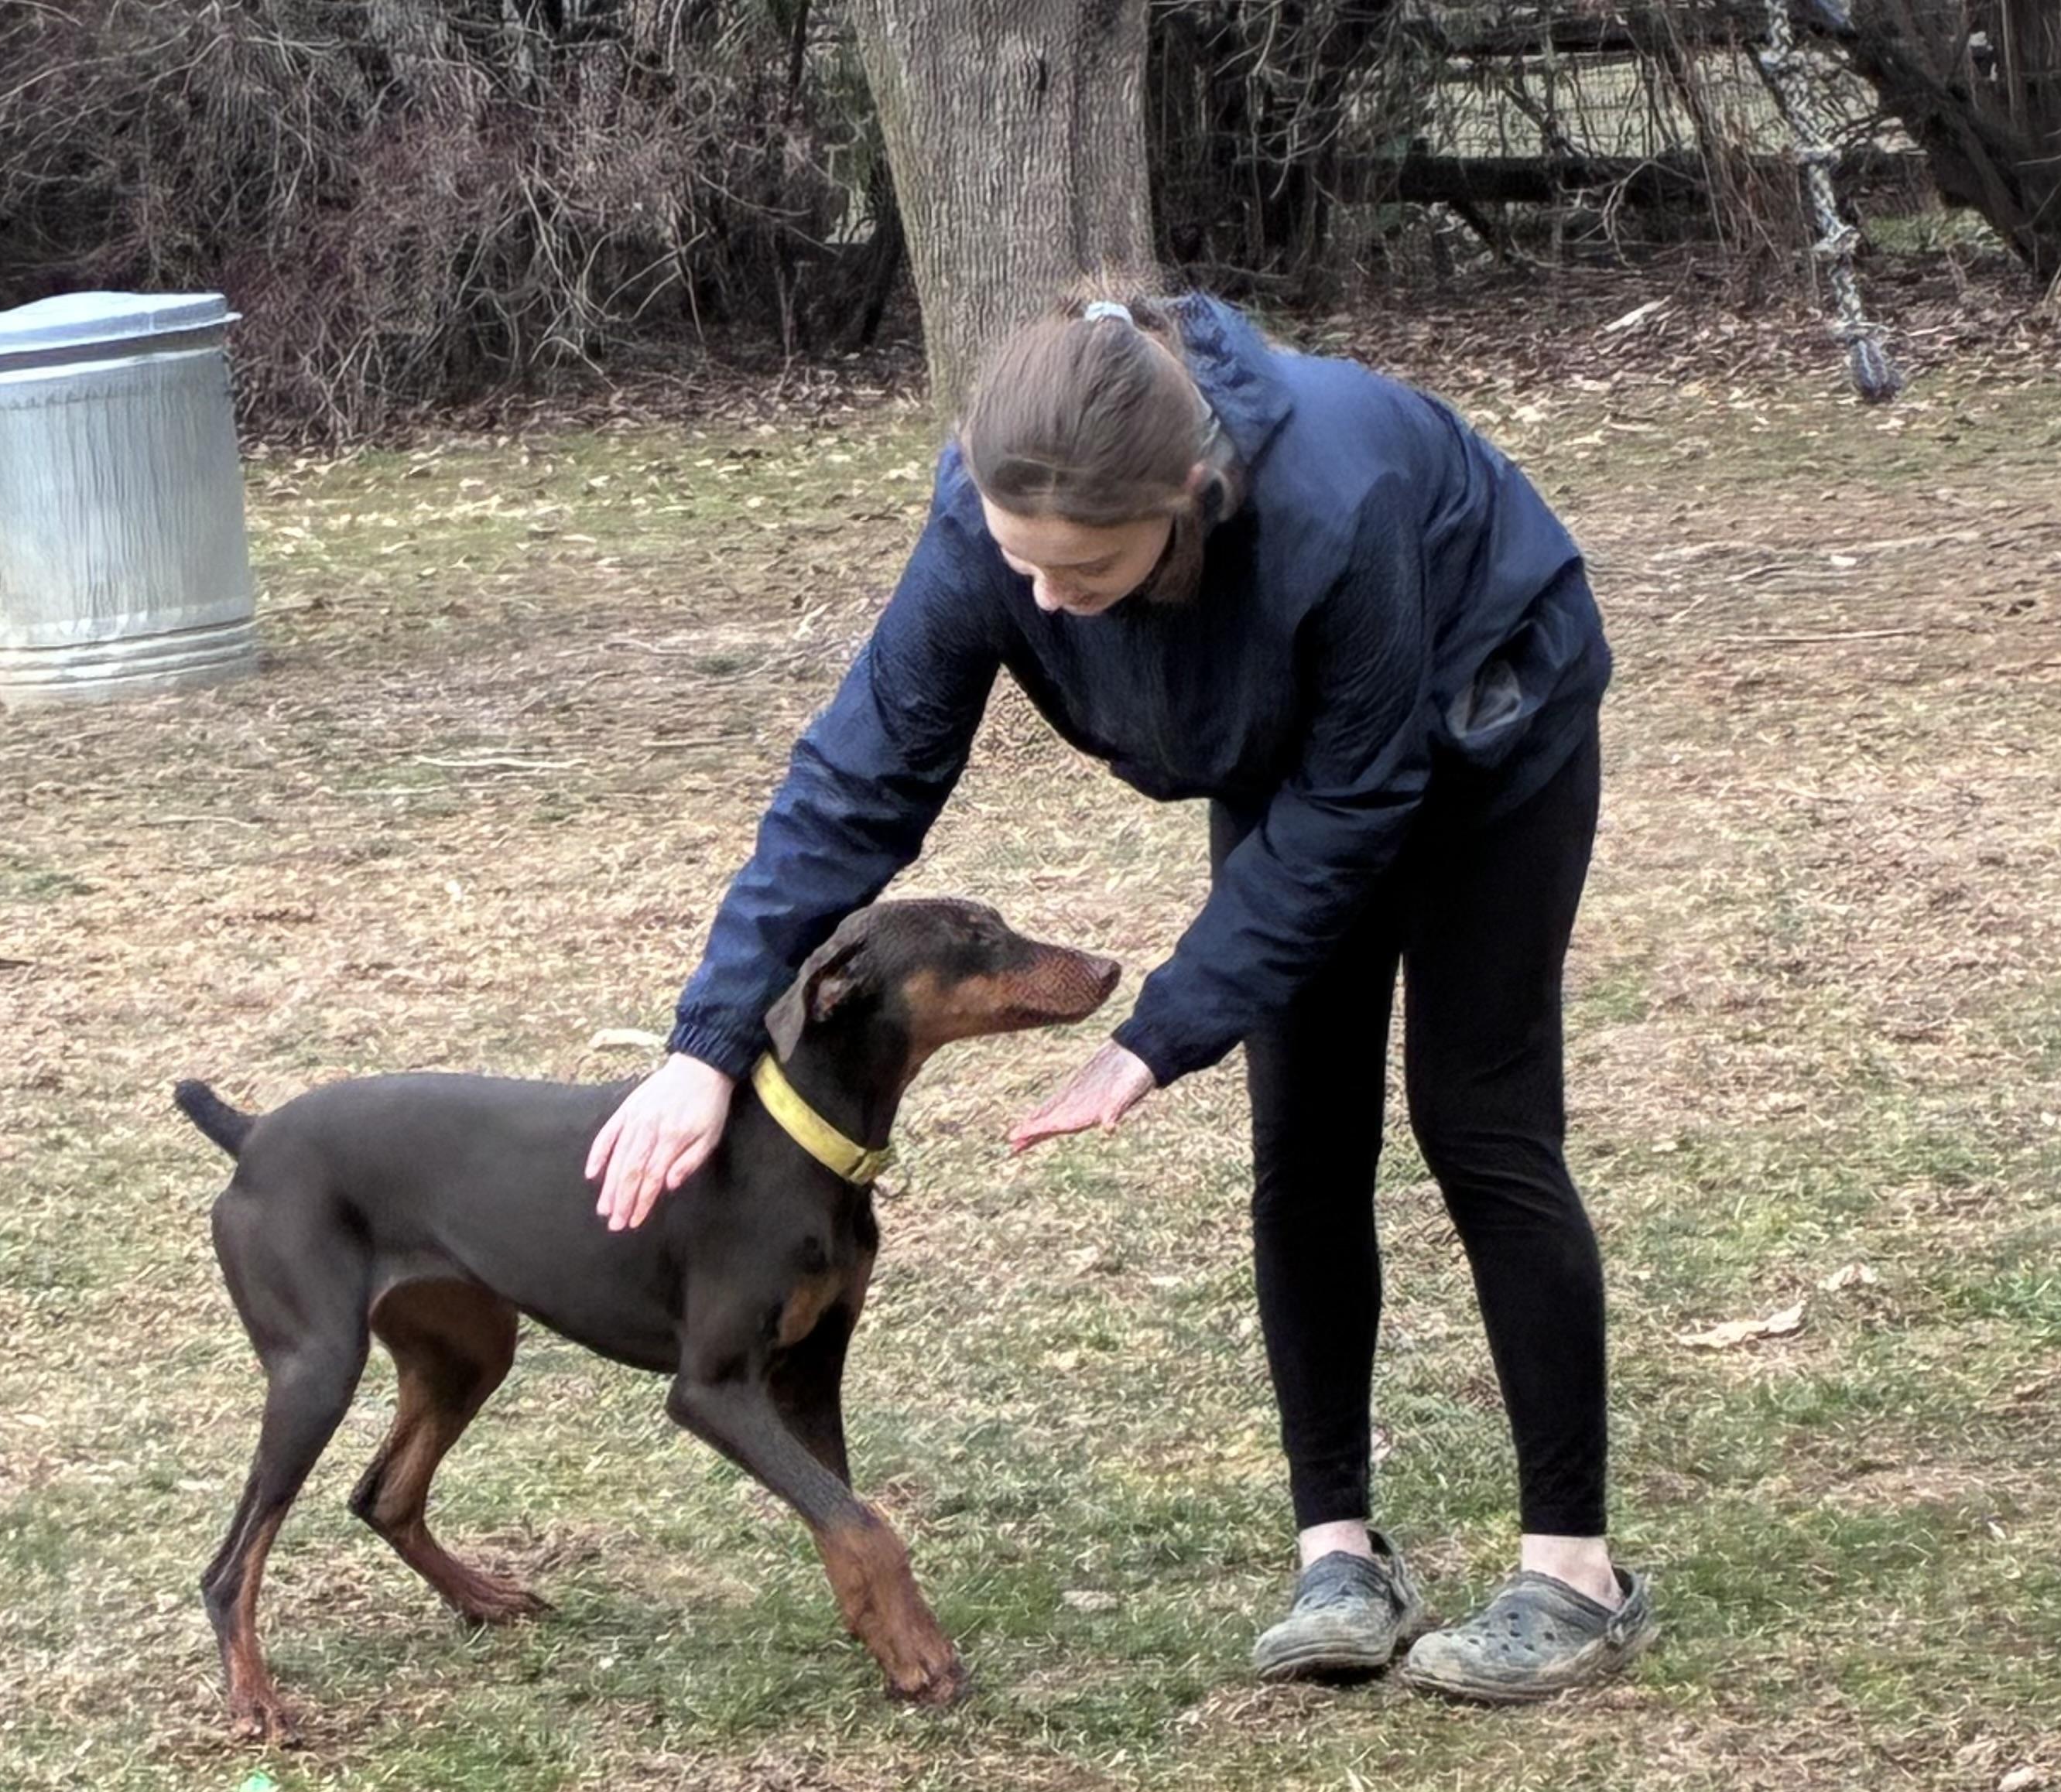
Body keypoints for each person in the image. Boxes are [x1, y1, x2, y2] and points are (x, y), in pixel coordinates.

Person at [584, 284, 1655, 1703]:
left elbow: (1356, 804)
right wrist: (710, 1038)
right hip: (1295, 750)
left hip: (1485, 735)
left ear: (1189, 499)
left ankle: (1572, 1576)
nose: (1042, 600)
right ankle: (1338, 1553)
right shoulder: (994, 518)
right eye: (1023, 565)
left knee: (1479, 1121)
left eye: (1081, 574)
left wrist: (1157, 1034)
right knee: (1307, 1142)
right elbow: (861, 779)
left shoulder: (1340, 499)